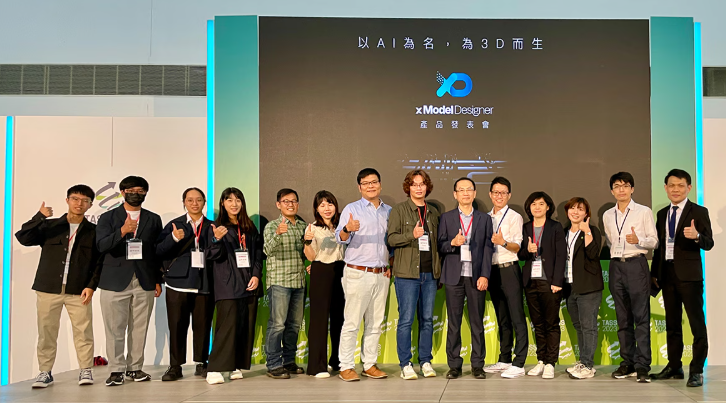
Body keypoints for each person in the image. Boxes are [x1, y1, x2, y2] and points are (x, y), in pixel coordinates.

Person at [15, 185, 101, 388]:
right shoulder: (50, 225)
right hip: (48, 288)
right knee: (46, 332)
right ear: (67, 200)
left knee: (83, 331)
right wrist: (39, 216)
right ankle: (45, 372)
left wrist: (91, 286)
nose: (79, 204)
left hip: (78, 289)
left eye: (85, 201)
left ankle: (85, 369)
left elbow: (98, 262)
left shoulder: (94, 231)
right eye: (75, 199)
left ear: (90, 205)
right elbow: (23, 237)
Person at [96, 176, 162, 386]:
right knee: (114, 328)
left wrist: (157, 279)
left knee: (140, 327)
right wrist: (122, 231)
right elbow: (101, 245)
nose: (136, 194)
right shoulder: (107, 218)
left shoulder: (153, 219)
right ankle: (116, 370)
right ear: (123, 192)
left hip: (144, 279)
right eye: (132, 190)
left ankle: (135, 368)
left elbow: (156, 252)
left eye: (140, 190)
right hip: (114, 280)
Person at [650, 169, 713, 387]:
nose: (675, 189)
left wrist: (697, 236)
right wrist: (654, 274)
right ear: (665, 188)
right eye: (671, 185)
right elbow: (659, 247)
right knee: (672, 324)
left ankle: (696, 371)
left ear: (689, 188)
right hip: (667, 276)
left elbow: (709, 243)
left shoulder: (699, 211)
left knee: (697, 324)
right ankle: (674, 366)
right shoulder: (661, 214)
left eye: (680, 185)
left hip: (689, 277)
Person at [336, 168, 392, 382]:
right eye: (366, 183)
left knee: (375, 323)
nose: (371, 186)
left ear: (380, 184)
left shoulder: (389, 211)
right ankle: (346, 366)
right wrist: (347, 228)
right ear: (360, 187)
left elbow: (392, 241)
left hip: (382, 273)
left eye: (374, 182)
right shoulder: (352, 209)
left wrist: (391, 263)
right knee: (352, 322)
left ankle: (369, 364)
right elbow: (340, 238)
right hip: (358, 272)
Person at [602, 172, 658, 383]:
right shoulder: (608, 215)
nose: (621, 189)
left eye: (625, 185)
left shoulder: (643, 211)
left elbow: (654, 241)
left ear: (632, 189)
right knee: (622, 317)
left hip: (637, 265)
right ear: (612, 191)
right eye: (617, 186)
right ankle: (627, 362)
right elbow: (610, 241)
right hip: (616, 266)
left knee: (641, 317)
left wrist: (638, 240)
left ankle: (643, 365)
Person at [437, 177, 493, 380]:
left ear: (475, 193)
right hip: (454, 276)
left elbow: (488, 249)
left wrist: (485, 274)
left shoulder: (484, 219)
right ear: (455, 194)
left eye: (469, 189)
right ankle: (454, 365)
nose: (465, 193)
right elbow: (440, 245)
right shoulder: (447, 218)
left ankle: (478, 365)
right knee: (454, 323)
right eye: (461, 190)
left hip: (476, 277)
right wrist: (452, 242)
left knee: (477, 323)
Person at [204, 188, 262, 384]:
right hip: (227, 284)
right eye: (229, 200)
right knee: (226, 327)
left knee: (244, 326)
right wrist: (216, 239)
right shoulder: (216, 227)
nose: (234, 204)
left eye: (238, 200)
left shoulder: (249, 227)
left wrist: (256, 275)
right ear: (223, 203)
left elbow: (257, 255)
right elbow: (211, 255)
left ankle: (234, 364)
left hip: (249, 282)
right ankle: (214, 369)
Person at [156, 187, 214, 381]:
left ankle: (202, 363)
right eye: (190, 200)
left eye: (199, 200)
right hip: (177, 283)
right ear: (184, 203)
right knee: (177, 326)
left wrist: (217, 240)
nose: (194, 203)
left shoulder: (212, 226)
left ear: (204, 202)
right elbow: (159, 251)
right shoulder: (174, 225)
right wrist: (173, 239)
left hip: (204, 283)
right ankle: (175, 366)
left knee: (203, 325)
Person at [388, 170, 441, 380]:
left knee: (427, 320)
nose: (418, 188)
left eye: (422, 184)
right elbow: (391, 239)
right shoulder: (399, 210)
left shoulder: (433, 212)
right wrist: (412, 234)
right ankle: (405, 364)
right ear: (408, 187)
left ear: (427, 187)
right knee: (406, 320)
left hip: (429, 274)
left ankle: (425, 361)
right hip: (407, 274)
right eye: (414, 184)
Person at [483, 176, 528, 379]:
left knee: (517, 316)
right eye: (496, 192)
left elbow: (517, 246)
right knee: (502, 317)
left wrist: (502, 242)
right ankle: (505, 359)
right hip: (492, 270)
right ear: (490, 194)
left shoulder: (514, 217)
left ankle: (520, 362)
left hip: (509, 269)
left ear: (509, 195)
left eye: (503, 193)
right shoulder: (485, 217)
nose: (499, 196)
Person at [518, 191, 566, 379]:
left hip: (549, 282)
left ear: (548, 207)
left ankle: (550, 363)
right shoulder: (526, 227)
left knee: (551, 323)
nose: (537, 207)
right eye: (533, 204)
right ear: (529, 208)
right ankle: (541, 360)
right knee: (537, 323)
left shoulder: (555, 227)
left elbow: (561, 255)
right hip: (531, 282)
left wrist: (557, 281)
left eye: (541, 204)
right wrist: (528, 250)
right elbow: (520, 255)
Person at [263, 188, 307, 379]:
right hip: (279, 281)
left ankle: (289, 361)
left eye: (294, 201)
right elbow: (267, 251)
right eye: (286, 201)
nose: (290, 204)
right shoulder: (272, 226)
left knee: (294, 325)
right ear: (278, 205)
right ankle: (273, 364)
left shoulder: (303, 226)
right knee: (278, 324)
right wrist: (278, 234)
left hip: (299, 281)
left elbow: (307, 252)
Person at [303, 191, 346, 378]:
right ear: (316, 209)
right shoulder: (312, 228)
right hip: (321, 270)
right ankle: (317, 366)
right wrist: (307, 241)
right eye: (322, 205)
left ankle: (336, 361)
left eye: (330, 204)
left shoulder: (342, 226)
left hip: (342, 270)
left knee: (340, 318)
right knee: (319, 320)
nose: (327, 208)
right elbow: (311, 256)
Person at [561, 197, 603, 380]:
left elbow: (593, 254)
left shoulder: (592, 230)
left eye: (580, 209)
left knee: (588, 327)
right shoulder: (563, 232)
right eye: (572, 208)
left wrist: (586, 232)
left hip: (588, 287)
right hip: (570, 286)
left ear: (586, 213)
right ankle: (583, 361)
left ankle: (588, 365)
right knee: (579, 326)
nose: (575, 212)